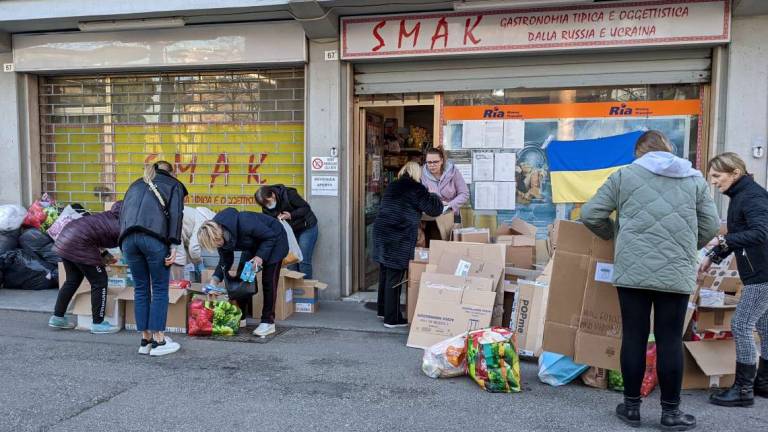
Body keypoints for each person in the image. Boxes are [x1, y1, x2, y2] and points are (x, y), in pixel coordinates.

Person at [581, 130, 719, 431]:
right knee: (669, 339)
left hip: (633, 270)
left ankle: (631, 408)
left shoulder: (625, 175)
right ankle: (671, 414)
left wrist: (614, 235)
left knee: (634, 335)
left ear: (640, 151)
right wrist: (685, 246)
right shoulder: (694, 178)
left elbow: (591, 213)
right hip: (675, 270)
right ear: (669, 149)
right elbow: (711, 225)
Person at [700, 152, 768, 407]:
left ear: (735, 173)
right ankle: (763, 382)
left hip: (763, 274)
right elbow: (739, 234)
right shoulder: (741, 195)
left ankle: (743, 389)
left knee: (741, 324)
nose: (714, 182)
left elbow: (760, 232)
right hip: (760, 272)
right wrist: (713, 256)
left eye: (717, 176)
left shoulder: (751, 196)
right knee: (765, 327)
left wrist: (722, 240)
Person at [120, 161, 187, 357]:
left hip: (128, 240)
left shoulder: (135, 184)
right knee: (159, 288)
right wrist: (174, 245)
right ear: (171, 172)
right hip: (153, 239)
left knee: (140, 288)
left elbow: (122, 214)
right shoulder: (173, 185)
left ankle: (145, 340)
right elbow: (176, 215)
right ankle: (159, 340)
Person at [197, 208, 288, 337]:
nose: (217, 247)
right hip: (252, 244)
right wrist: (214, 280)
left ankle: (268, 322)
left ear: (218, 235)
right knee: (242, 277)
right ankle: (241, 316)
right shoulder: (221, 238)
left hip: (275, 239)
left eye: (216, 244)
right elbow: (225, 260)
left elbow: (270, 237)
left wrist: (259, 257)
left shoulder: (245, 222)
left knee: (269, 281)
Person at [374, 161, 443, 328]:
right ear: (417, 174)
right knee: (395, 276)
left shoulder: (393, 185)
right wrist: (434, 194)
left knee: (385, 272)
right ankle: (392, 319)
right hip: (398, 235)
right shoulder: (416, 188)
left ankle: (383, 310)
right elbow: (435, 209)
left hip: (381, 232)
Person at [48, 201, 124, 334]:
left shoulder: (105, 217)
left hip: (65, 240)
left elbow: (96, 236)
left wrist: (106, 255)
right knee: (99, 281)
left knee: (73, 279)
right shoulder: (120, 225)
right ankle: (98, 324)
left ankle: (57, 317)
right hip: (80, 244)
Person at [254, 185, 318, 278]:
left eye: (268, 202)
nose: (268, 206)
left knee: (303, 261)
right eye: (265, 204)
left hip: (306, 227)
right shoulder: (266, 208)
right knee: (291, 260)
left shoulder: (288, 194)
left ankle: (307, 289)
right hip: (289, 233)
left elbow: (305, 208)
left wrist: (291, 215)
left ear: (272, 195)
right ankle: (293, 289)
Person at [421, 148, 469, 242]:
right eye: (429, 162)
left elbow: (464, 193)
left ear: (442, 160)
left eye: (435, 162)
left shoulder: (453, 172)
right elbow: (422, 197)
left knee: (452, 248)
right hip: (433, 220)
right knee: (435, 249)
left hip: (452, 216)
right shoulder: (423, 174)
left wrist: (450, 204)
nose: (432, 165)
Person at [171, 206, 215, 280]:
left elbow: (189, 245)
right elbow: (193, 248)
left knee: (180, 258)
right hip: (173, 228)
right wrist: (198, 262)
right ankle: (178, 289)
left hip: (173, 226)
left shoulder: (204, 218)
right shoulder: (205, 223)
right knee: (179, 258)